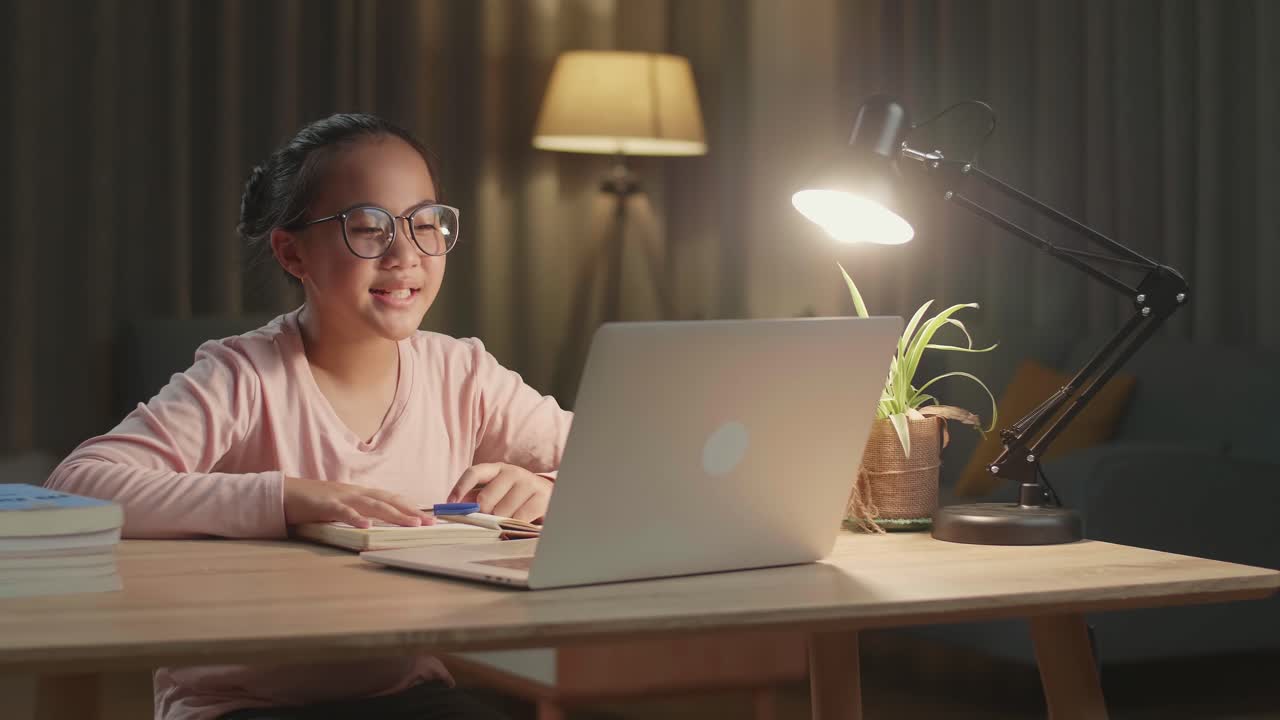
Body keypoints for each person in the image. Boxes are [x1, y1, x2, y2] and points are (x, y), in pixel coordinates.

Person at [46, 113, 572, 720]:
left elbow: (621, 458)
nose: (405, 255)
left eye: (426, 223)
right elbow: (79, 483)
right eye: (368, 228)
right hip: (240, 704)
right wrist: (288, 499)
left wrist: (547, 488)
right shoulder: (241, 376)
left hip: (408, 696)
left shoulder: (464, 374)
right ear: (292, 252)